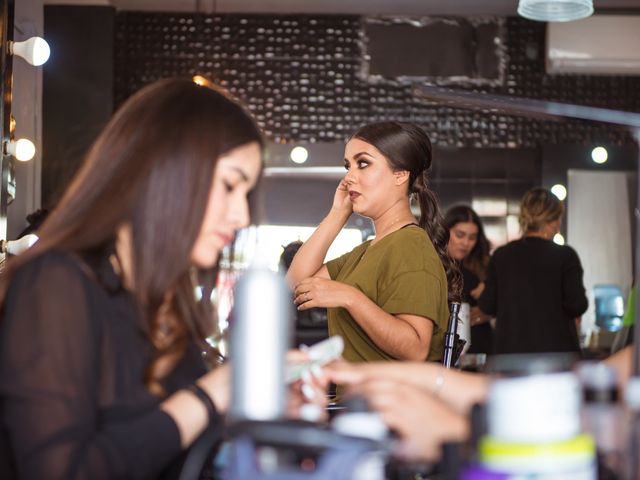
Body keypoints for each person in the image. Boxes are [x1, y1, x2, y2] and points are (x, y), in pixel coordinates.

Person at [0, 78, 325, 479]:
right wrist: (212, 393)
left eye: (247, 194)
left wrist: (259, 414)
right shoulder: (54, 285)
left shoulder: (167, 304)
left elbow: (168, 447)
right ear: (163, 170)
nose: (241, 216)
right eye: (229, 185)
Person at [286, 121, 461, 370]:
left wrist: (350, 297)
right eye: (348, 166)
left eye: (363, 163)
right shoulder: (367, 250)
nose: (349, 177)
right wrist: (337, 214)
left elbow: (415, 349)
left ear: (400, 174)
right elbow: (296, 284)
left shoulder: (410, 246)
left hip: (392, 406)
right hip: (360, 402)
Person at [478, 187, 588, 354]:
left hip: (510, 354)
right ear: (554, 220)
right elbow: (577, 305)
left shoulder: (501, 256)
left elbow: (487, 305)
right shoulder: (566, 256)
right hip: (557, 354)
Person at [444, 205, 493, 354]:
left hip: (481, 349)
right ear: (445, 232)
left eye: (472, 238)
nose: (465, 243)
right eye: (460, 235)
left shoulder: (484, 267)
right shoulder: (432, 264)